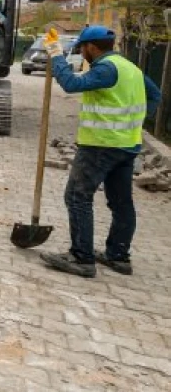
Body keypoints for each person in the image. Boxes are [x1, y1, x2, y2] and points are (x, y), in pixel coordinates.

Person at [39, 25, 162, 278]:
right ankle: (118, 256)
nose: (82, 53)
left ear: (91, 47)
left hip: (101, 145)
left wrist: (55, 53)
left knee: (77, 196)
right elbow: (155, 95)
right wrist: (135, 121)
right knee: (121, 202)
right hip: (127, 145)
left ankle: (81, 258)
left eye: (82, 49)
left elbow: (71, 84)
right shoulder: (130, 68)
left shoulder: (106, 69)